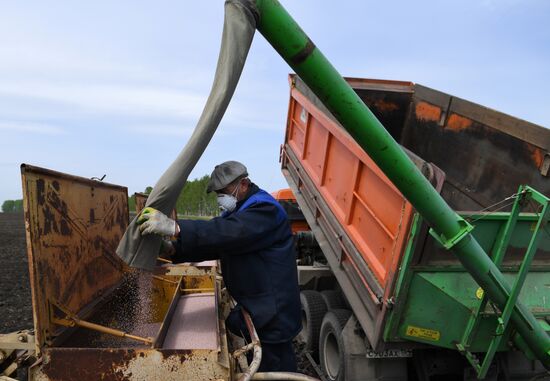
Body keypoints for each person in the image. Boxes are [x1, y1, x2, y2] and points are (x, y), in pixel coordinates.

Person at [137, 160, 302, 372]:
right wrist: (173, 249)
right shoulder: (241, 211)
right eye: (217, 194)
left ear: (243, 184)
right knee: (260, 362)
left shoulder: (264, 209)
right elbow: (220, 244)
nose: (220, 199)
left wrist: (176, 227)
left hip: (273, 312)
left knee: (276, 369)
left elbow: (228, 233)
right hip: (259, 305)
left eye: (223, 192)